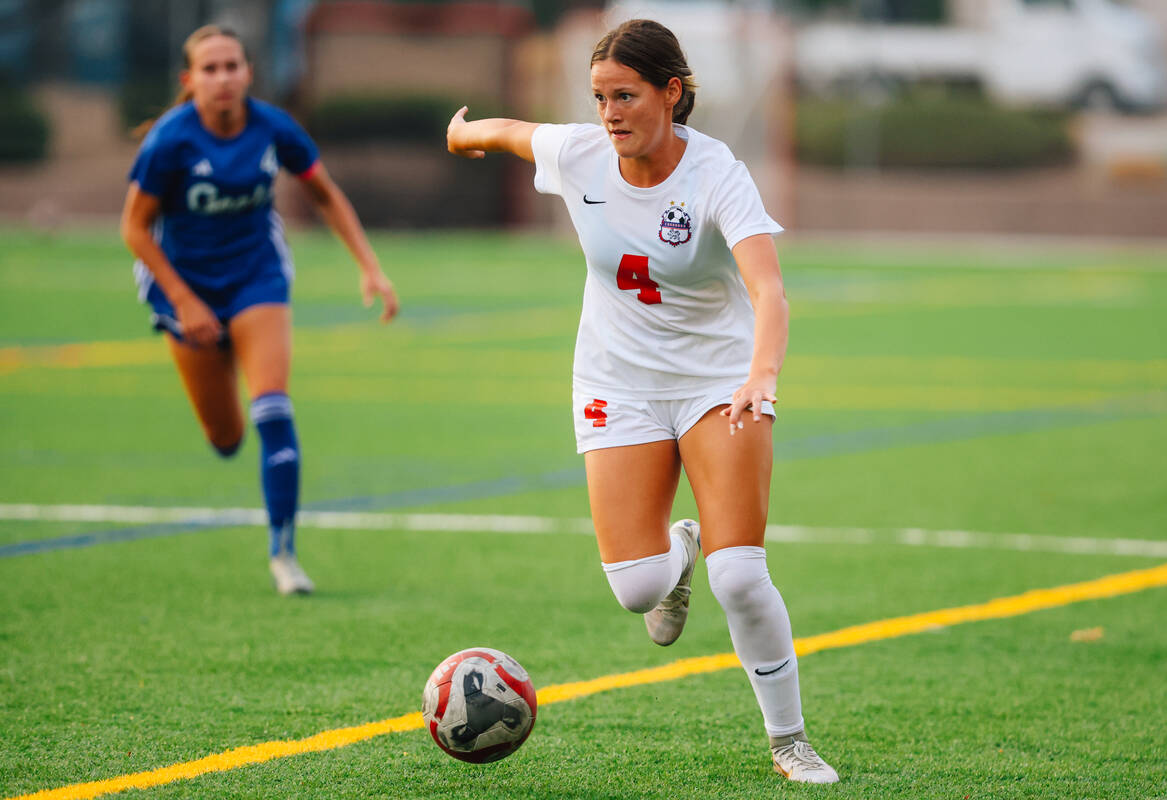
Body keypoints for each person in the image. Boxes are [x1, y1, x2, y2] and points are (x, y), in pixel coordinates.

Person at [446, 18, 838, 784]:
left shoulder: (717, 172)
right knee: (637, 590)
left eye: (625, 95)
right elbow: (515, 132)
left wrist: (762, 376)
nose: (609, 114)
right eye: (598, 97)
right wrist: (467, 135)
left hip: (718, 385)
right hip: (615, 384)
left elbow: (769, 289)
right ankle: (678, 546)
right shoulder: (584, 153)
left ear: (672, 92)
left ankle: (789, 740)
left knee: (741, 577)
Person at [120, 25, 398, 595]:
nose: (223, 78)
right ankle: (220, 371)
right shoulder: (171, 140)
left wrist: (370, 266)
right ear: (189, 79)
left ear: (248, 73)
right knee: (225, 438)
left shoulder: (273, 127)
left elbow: (324, 191)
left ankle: (284, 554)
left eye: (232, 66)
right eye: (210, 68)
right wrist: (184, 300)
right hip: (185, 286)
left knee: (273, 408)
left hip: (256, 280)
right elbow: (134, 227)